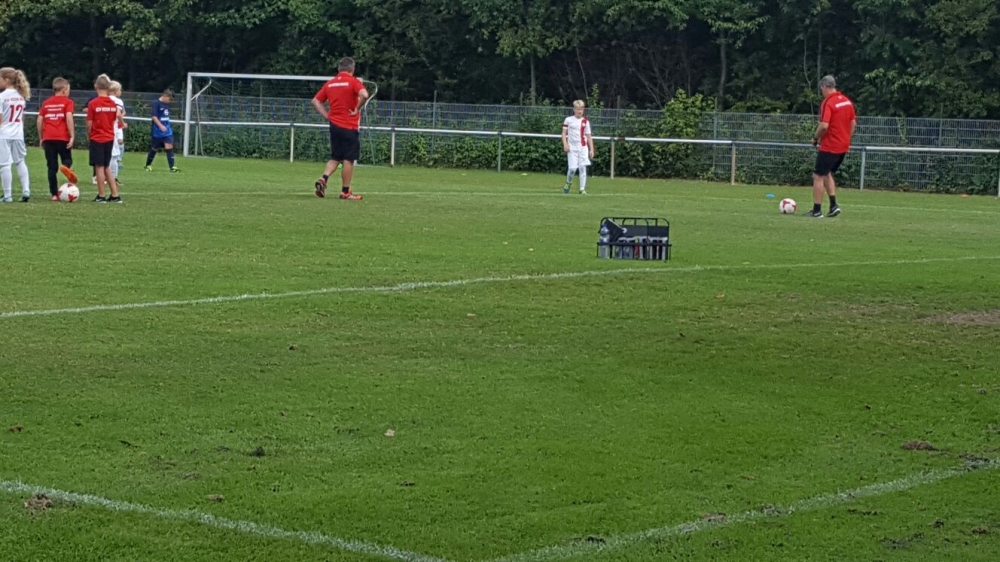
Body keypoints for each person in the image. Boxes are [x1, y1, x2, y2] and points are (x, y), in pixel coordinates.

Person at [312, 56, 369, 200]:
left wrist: (326, 115)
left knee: (336, 157)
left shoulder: (330, 83)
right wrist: (357, 108)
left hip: (334, 125)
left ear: (339, 69)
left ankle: (324, 178)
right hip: (349, 125)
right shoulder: (353, 82)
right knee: (348, 159)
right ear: (352, 69)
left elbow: (316, 101)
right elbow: (364, 95)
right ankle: (345, 191)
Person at [809, 75, 856, 218]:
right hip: (843, 146)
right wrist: (846, 138)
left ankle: (817, 211)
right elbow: (853, 123)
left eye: (821, 88)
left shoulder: (828, 102)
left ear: (824, 86)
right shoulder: (846, 101)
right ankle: (833, 206)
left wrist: (815, 138)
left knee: (818, 175)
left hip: (830, 145)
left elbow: (824, 125)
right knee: (827, 172)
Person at [37, 77, 77, 200]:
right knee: (67, 159)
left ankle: (54, 194)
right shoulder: (68, 102)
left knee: (51, 167)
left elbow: (39, 120)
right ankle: (65, 166)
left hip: (48, 137)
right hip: (62, 137)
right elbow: (69, 117)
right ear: (64, 90)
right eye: (68, 89)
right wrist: (72, 136)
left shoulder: (46, 103)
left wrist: (41, 137)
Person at [88, 74, 122, 203]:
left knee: (99, 167)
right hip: (109, 137)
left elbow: (89, 123)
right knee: (106, 166)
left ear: (96, 86)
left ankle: (101, 195)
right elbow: (114, 119)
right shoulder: (113, 104)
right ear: (108, 87)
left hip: (97, 137)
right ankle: (115, 195)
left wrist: (89, 134)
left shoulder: (93, 103)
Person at [0, 67, 31, 203]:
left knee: (5, 164)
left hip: (4, 134)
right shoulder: (21, 96)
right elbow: (21, 117)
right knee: (20, 162)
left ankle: (8, 196)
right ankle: (26, 190)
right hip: (18, 134)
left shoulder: (2, 97)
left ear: (6, 80)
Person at [562, 100, 594, 195]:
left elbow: (588, 136)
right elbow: (564, 133)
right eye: (578, 109)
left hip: (583, 147)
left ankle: (582, 189)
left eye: (581, 109)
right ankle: (568, 182)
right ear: (574, 109)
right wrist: (565, 144)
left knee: (582, 168)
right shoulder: (568, 120)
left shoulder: (585, 122)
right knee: (572, 169)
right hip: (572, 148)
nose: (580, 111)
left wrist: (591, 149)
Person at [145, 89, 178, 172]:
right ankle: (148, 165)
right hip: (157, 131)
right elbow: (154, 117)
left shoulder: (166, 105)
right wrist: (160, 126)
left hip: (167, 130)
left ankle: (172, 167)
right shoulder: (156, 104)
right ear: (165, 96)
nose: (170, 101)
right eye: (170, 99)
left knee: (169, 146)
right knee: (155, 148)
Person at [109, 81, 127, 183]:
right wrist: (122, 123)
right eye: (120, 90)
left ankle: (99, 177)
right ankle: (113, 178)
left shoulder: (101, 99)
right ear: (116, 91)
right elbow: (118, 113)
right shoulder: (118, 101)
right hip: (113, 129)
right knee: (114, 155)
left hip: (100, 130)